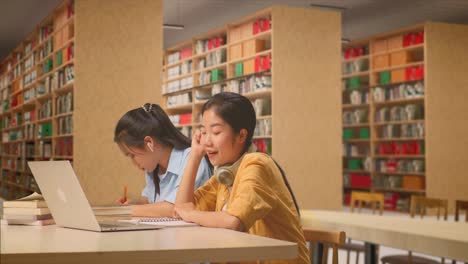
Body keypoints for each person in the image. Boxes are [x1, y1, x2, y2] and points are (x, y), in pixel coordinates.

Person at [174, 93, 309, 264]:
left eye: (215, 132)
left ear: (241, 136)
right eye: (203, 132)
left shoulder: (257, 164)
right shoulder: (225, 175)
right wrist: (194, 155)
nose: (207, 141)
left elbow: (233, 221)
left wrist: (191, 213)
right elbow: (181, 208)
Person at [114, 103, 212, 217]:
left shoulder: (192, 157)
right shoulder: (154, 167)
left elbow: (176, 209)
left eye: (132, 155)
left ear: (149, 143)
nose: (133, 163)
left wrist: (129, 210)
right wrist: (133, 204)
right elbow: (150, 201)